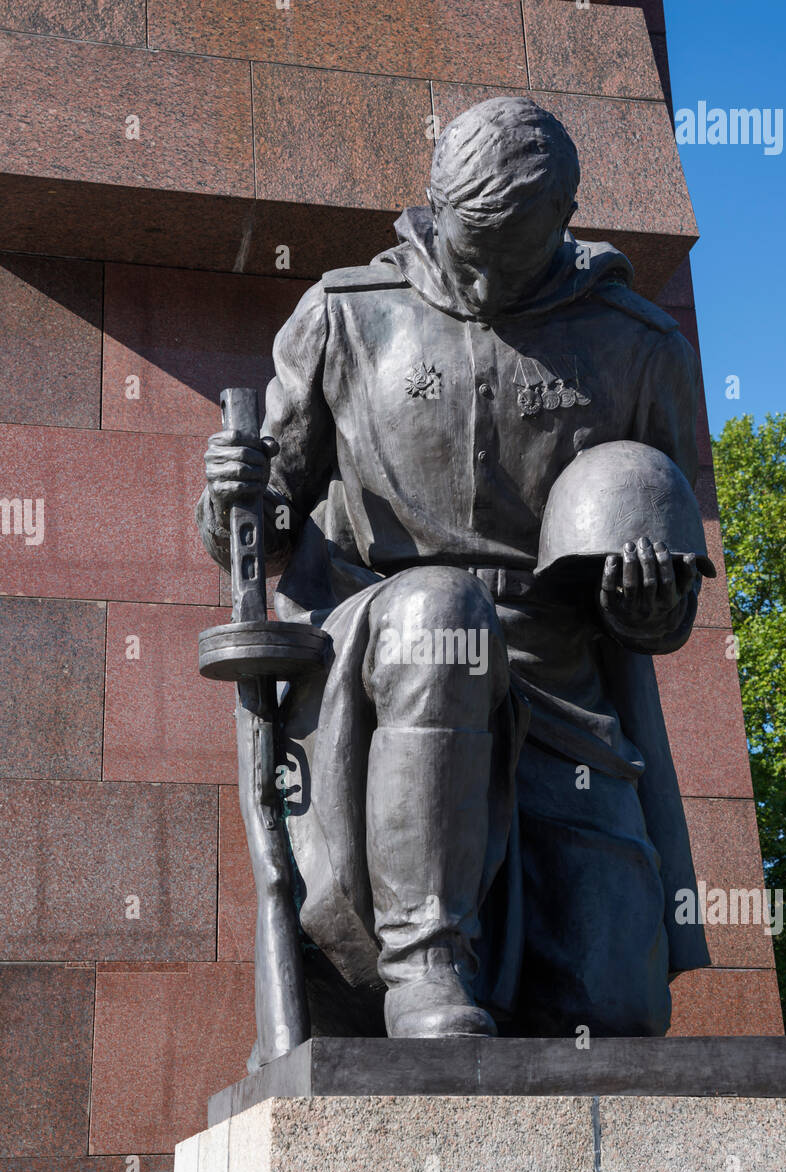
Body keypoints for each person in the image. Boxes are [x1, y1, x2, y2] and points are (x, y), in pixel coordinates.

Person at [197, 96, 710, 1046]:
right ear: (432, 209)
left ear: (563, 222)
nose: (468, 274)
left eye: (499, 259)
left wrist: (645, 603)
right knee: (446, 614)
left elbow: (665, 610)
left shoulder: (639, 347)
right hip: (381, 637)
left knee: (615, 1011)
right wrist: (237, 501)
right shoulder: (345, 317)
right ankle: (424, 962)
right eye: (457, 244)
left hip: (559, 678)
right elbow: (263, 523)